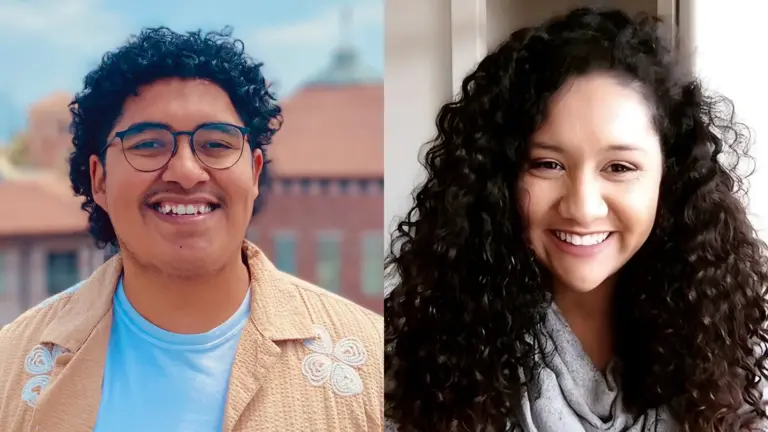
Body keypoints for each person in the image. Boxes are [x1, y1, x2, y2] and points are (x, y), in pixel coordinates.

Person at [384, 7, 768, 432]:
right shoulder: (422, 371)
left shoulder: (731, 367)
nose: (583, 207)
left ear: (670, 179)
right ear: (499, 179)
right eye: (548, 164)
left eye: (619, 167)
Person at [0, 27, 383, 432]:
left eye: (216, 144)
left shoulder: (375, 362)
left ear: (254, 173)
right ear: (100, 180)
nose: (185, 171)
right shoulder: (11, 368)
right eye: (148, 144)